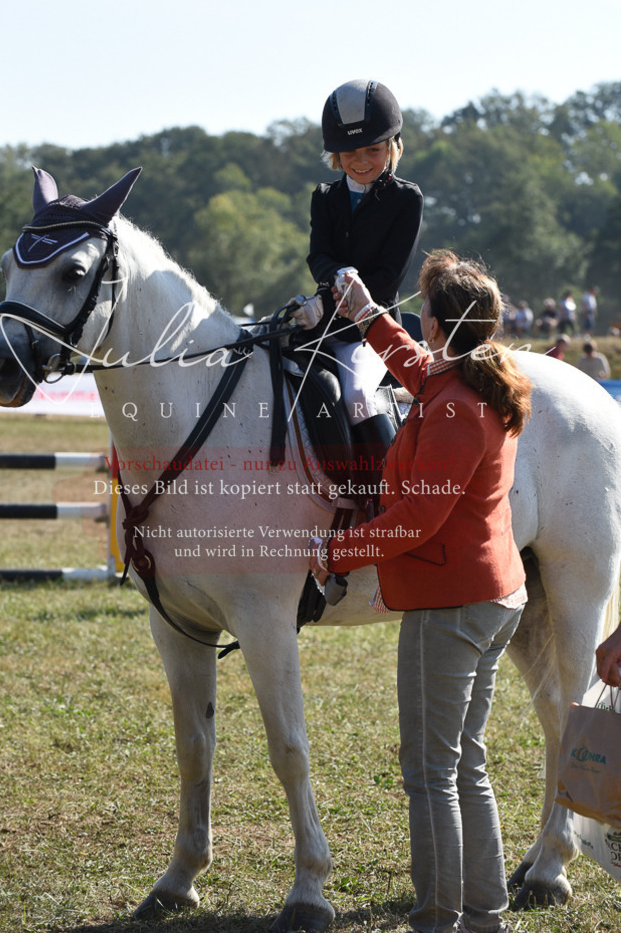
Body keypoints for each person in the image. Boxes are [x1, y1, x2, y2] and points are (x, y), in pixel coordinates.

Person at [310, 250, 532, 933]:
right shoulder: (466, 380)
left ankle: (439, 918)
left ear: (437, 323)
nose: (418, 320)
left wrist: (336, 551)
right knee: (464, 766)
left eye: (422, 310)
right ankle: (484, 915)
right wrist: (367, 314)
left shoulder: (455, 408)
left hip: (453, 604)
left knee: (432, 772)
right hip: (487, 594)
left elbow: (416, 519)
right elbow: (412, 365)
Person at [298, 78, 423, 498]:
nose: (362, 161)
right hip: (324, 322)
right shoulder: (324, 197)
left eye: (373, 149)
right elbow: (318, 256)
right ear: (336, 155)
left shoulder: (406, 199)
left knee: (356, 396)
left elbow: (388, 277)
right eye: (351, 152)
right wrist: (331, 283)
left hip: (373, 329)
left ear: (392, 146)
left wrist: (330, 298)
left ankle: (388, 496)